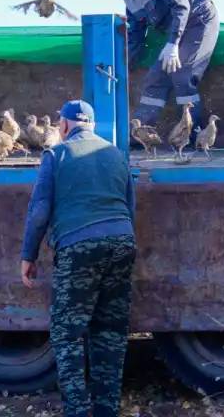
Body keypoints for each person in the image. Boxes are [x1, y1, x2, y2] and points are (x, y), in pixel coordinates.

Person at [20, 100, 136, 417]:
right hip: (123, 242)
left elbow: (40, 209)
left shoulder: (56, 154)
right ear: (92, 125)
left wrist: (28, 254)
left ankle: (76, 410)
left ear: (65, 125)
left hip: (79, 245)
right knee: (109, 331)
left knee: (67, 334)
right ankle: (106, 410)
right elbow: (129, 204)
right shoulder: (115, 154)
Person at [103, 0, 219, 127]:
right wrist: (125, 65)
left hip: (198, 19)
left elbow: (181, 6)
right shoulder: (130, 1)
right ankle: (140, 132)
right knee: (155, 78)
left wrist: (172, 44)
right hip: (176, 29)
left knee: (183, 73)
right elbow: (135, 35)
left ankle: (192, 132)